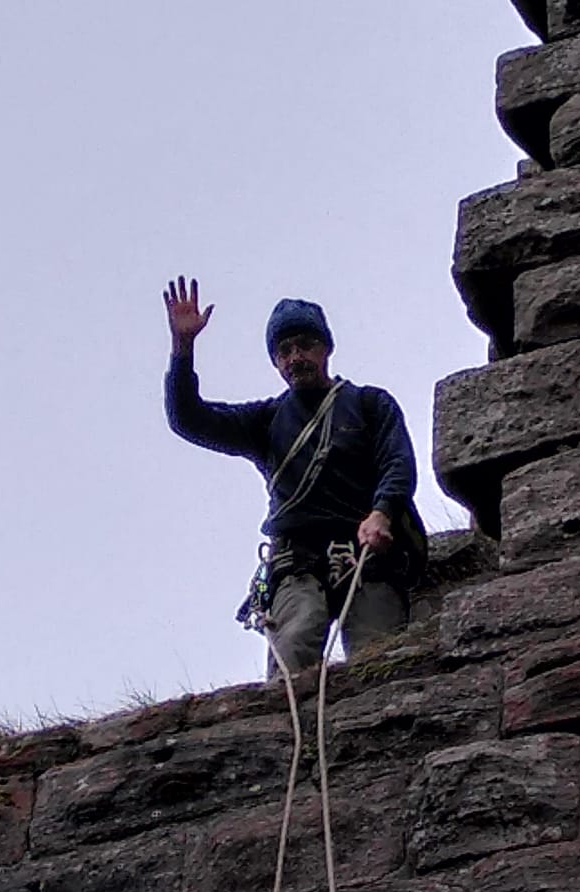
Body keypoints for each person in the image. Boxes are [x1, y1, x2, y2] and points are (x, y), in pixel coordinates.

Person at [162, 276, 425, 672]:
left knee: (380, 661)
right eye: (283, 351)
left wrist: (382, 512)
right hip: (295, 562)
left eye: (304, 345)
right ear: (275, 361)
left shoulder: (369, 404)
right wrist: (182, 349)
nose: (294, 358)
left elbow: (397, 463)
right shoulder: (266, 421)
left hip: (367, 552)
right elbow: (189, 419)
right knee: (292, 655)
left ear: (326, 348)